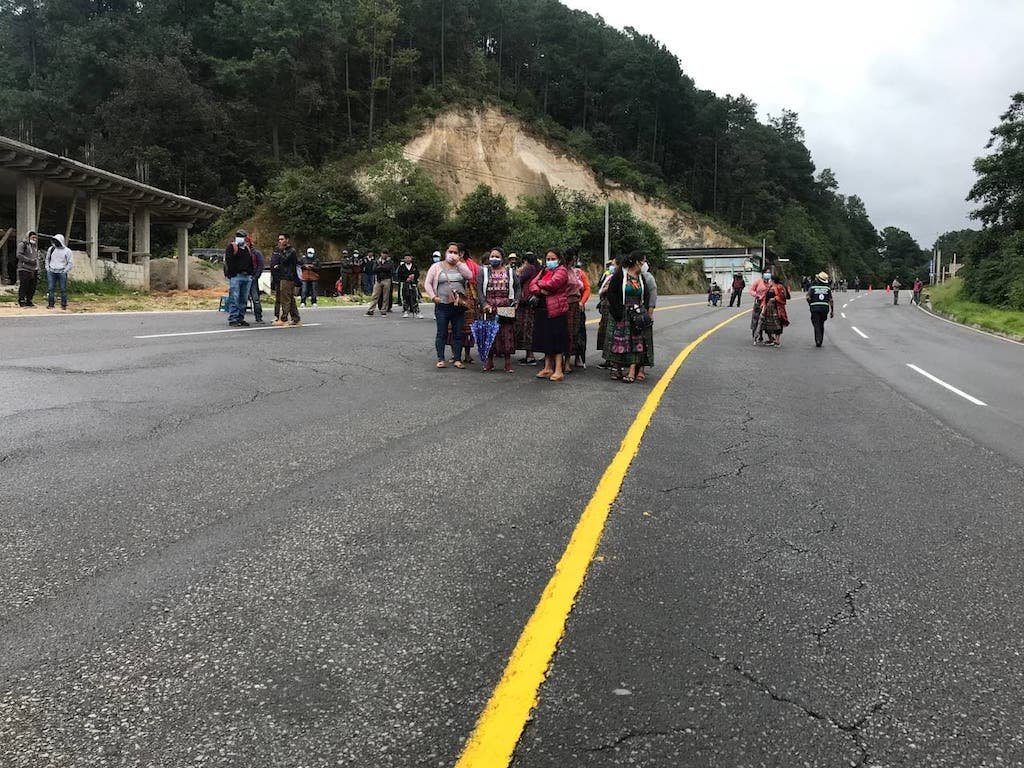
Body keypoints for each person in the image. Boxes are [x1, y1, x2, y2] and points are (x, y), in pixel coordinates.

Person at [603, 252, 651, 383]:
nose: (645, 264)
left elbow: (646, 295)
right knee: (619, 341)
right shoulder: (620, 274)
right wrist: (618, 311)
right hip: (622, 313)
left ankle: (631, 370)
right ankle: (617, 367)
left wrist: (644, 311)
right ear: (636, 262)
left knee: (636, 342)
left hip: (636, 314)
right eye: (643, 261)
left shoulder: (641, 278)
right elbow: (612, 293)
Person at [424, 242, 473, 368]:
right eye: (450, 252)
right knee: (442, 332)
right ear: (445, 252)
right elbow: (428, 283)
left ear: (459, 254)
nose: (452, 254)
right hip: (442, 305)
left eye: (455, 252)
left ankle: (457, 359)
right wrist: (433, 297)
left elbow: (469, 276)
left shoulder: (461, 266)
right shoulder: (436, 266)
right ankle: (441, 358)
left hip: (458, 306)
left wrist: (458, 263)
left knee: (458, 333)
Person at [528, 248, 571, 382]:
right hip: (543, 309)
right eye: (548, 259)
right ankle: (548, 368)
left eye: (553, 259)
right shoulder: (543, 271)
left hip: (557, 310)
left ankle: (558, 370)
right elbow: (531, 285)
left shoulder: (562, 271)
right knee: (546, 339)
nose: (550, 261)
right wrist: (542, 289)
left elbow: (553, 284)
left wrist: (540, 287)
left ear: (559, 259)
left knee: (557, 340)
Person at [477, 246, 520, 372]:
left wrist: (516, 301)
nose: (494, 259)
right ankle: (489, 362)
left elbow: (517, 287)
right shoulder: (483, 272)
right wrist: (484, 303)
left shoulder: (510, 272)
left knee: (507, 334)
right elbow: (479, 289)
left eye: (497, 256)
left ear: (502, 259)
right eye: (492, 256)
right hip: (489, 308)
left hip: (506, 306)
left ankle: (508, 363)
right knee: (490, 334)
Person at [222, 230, 253, 326]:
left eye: (242, 236)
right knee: (234, 298)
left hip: (246, 276)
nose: (241, 238)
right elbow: (229, 261)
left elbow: (250, 262)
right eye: (239, 236)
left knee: (243, 299)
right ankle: (233, 318)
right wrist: (232, 273)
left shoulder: (247, 248)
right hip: (236, 276)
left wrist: (250, 273)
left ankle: (240, 317)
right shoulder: (232, 247)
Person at [515, 252, 541, 365]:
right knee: (530, 327)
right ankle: (529, 355)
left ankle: (530, 356)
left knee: (526, 328)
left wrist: (518, 271)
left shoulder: (529, 268)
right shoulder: (538, 268)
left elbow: (518, 280)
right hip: (533, 300)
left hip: (525, 301)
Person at [562, 247, 584, 373]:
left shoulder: (574, 271)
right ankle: (562, 362)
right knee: (565, 332)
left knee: (572, 333)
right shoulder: (562, 271)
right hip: (565, 304)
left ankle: (568, 361)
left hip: (575, 305)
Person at [272, 233, 301, 327]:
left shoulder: (290, 251)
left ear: (287, 240)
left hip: (288, 277)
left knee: (285, 298)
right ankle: (296, 318)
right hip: (284, 276)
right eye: (279, 239)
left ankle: (284, 319)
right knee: (291, 299)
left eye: (282, 239)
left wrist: (280, 253)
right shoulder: (284, 251)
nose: (280, 241)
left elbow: (285, 260)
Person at [596, 256, 619, 368]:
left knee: (612, 334)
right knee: (605, 333)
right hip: (605, 307)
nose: (611, 266)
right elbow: (600, 287)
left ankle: (613, 360)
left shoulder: (620, 278)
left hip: (612, 308)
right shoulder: (608, 275)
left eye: (614, 264)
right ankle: (608, 359)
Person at [44, 234, 74, 310]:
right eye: (54, 240)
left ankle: (63, 304)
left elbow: (70, 262)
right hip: (51, 271)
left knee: (63, 289)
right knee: (51, 288)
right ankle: (51, 304)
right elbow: (47, 259)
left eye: (57, 241)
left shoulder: (67, 251)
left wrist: (65, 271)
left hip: (61, 272)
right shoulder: (51, 249)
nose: (55, 242)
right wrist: (47, 268)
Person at [572, 254, 592, 370]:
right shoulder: (561, 271)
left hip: (578, 306)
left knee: (579, 332)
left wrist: (582, 302)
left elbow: (587, 288)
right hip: (564, 305)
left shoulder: (580, 274)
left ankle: (579, 356)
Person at [807, 271, 835, 347]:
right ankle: (820, 339)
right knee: (821, 323)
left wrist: (810, 304)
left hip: (815, 308)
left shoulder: (812, 287)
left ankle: (818, 340)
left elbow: (808, 297)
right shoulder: (827, 288)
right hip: (824, 309)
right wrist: (832, 311)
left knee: (816, 324)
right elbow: (831, 300)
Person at [366, 251, 394, 316]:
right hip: (378, 280)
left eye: (386, 254)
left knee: (385, 296)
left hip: (387, 279)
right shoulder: (377, 261)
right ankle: (371, 310)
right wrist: (382, 268)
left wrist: (380, 267)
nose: (384, 255)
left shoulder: (390, 261)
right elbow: (374, 269)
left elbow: (388, 268)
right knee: (375, 295)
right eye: (383, 253)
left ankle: (383, 310)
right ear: (381, 254)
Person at [749, 271, 773, 344]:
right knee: (756, 319)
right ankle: (755, 335)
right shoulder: (758, 282)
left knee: (765, 320)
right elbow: (751, 290)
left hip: (767, 303)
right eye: (766, 273)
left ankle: (765, 336)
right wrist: (756, 295)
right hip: (758, 302)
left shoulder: (771, 283)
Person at [395, 252, 421, 318]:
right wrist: (406, 278)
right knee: (404, 297)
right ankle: (405, 311)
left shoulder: (414, 266)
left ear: (411, 258)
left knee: (415, 297)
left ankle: (417, 311)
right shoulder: (401, 267)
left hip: (413, 283)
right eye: (406, 258)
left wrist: (413, 276)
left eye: (408, 258)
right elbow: (399, 275)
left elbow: (417, 274)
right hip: (404, 283)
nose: (407, 259)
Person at [16, 231, 39, 307]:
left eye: (35, 237)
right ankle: (22, 300)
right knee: (24, 285)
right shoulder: (22, 244)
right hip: (24, 269)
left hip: (33, 269)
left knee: (32, 286)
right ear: (28, 237)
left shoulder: (34, 246)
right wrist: (29, 260)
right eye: (33, 237)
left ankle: (29, 300)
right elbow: (19, 255)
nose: (34, 239)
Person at [247, 235, 265, 324]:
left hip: (253, 278)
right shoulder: (240, 252)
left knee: (255, 299)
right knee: (240, 299)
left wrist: (256, 276)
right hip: (243, 277)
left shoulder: (255, 253)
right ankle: (238, 318)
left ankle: (259, 317)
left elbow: (261, 265)